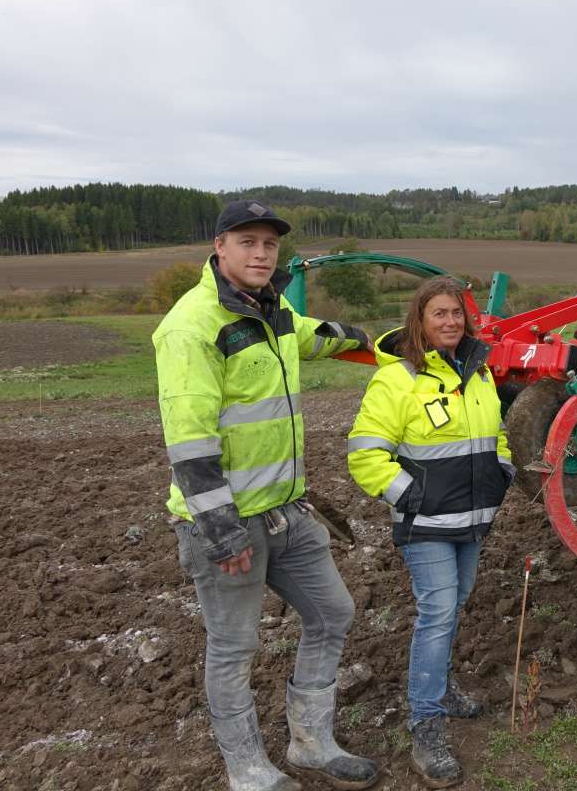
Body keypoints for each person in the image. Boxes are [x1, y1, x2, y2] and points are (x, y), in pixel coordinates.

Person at [154, 200, 379, 791]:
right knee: (234, 646)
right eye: (247, 242)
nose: (260, 253)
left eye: (269, 245)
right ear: (220, 246)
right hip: (227, 523)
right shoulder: (192, 327)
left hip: (287, 510)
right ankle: (247, 767)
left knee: (333, 612)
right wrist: (222, 531)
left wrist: (379, 341)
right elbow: (190, 444)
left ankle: (311, 742)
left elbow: (315, 336)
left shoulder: (271, 312)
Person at [346, 275, 513, 788]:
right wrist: (411, 497)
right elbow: (365, 454)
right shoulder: (397, 379)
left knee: (456, 604)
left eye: (456, 313)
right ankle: (426, 726)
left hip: (472, 521)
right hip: (427, 525)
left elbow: (497, 434)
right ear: (418, 321)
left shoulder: (478, 373)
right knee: (437, 612)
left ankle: (439, 688)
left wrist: (502, 470)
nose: (449, 322)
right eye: (438, 313)